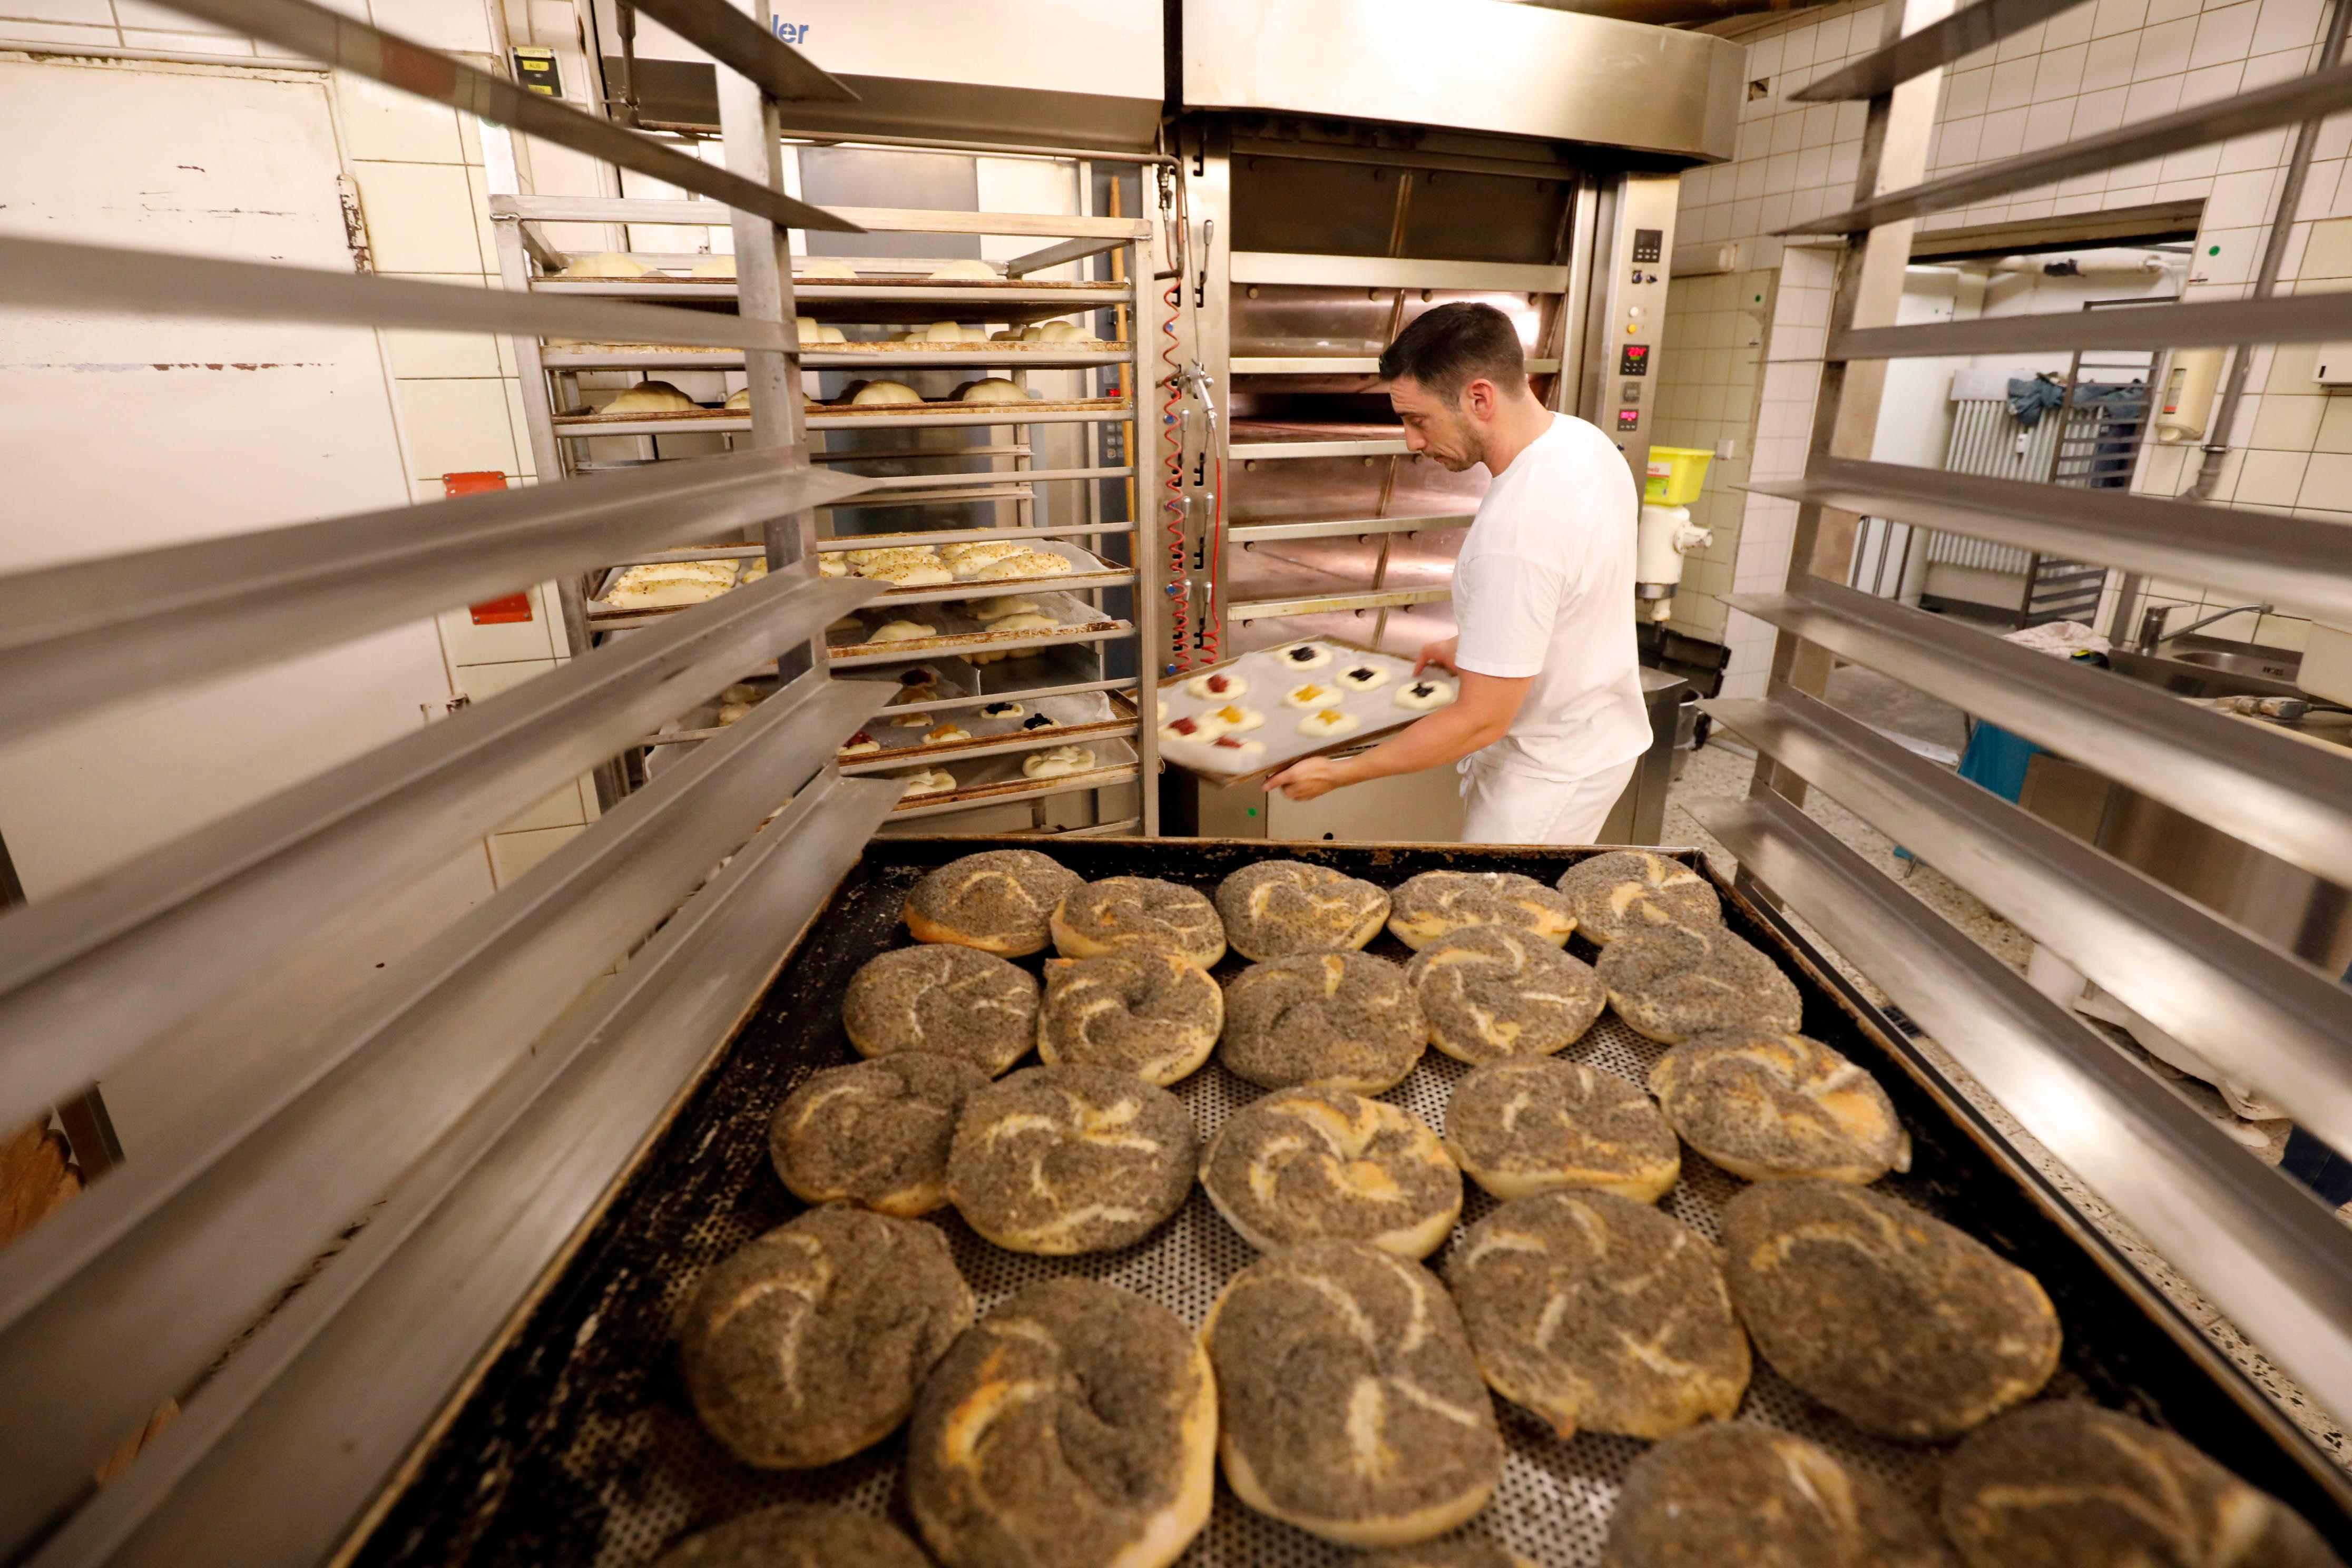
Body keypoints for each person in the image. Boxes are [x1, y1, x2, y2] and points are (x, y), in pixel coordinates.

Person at [1265, 301, 1650, 844]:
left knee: (1499, 920)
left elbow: (1479, 720)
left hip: (1543, 774)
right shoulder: (1580, 442)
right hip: (1587, 734)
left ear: (1480, 397)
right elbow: (1570, 589)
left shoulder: (1522, 528)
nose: (1412, 443)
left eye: (1418, 420)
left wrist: (1339, 772)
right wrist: (1477, 641)